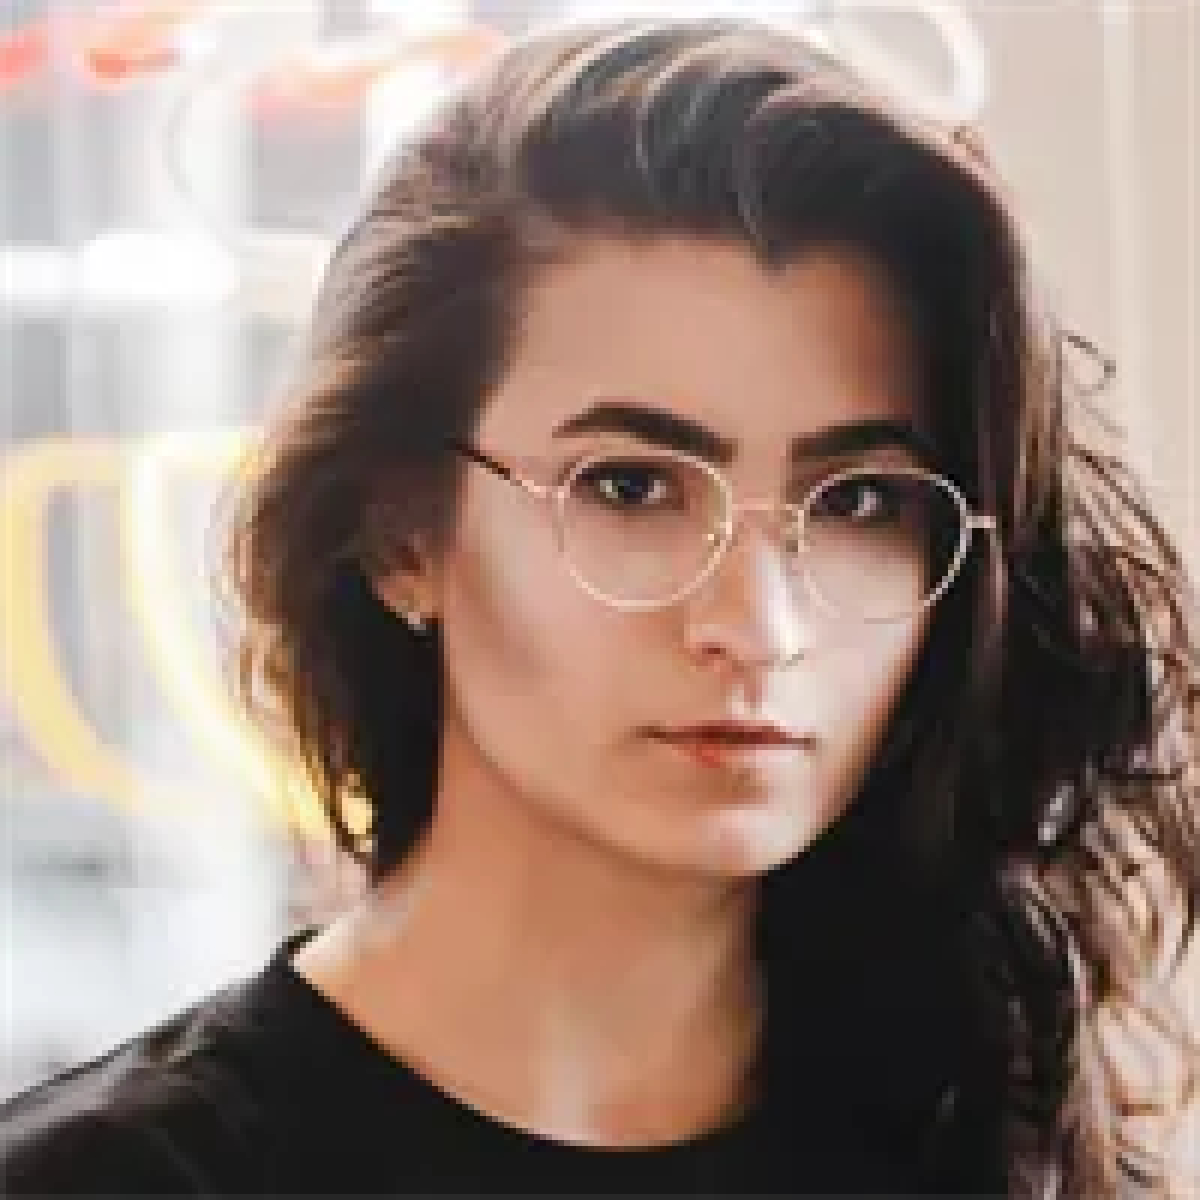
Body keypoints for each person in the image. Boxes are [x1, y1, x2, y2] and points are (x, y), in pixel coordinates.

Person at [3, 15, 1197, 1197]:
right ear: (400, 534)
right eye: (630, 488)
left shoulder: (1012, 1154)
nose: (760, 628)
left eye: (859, 502)